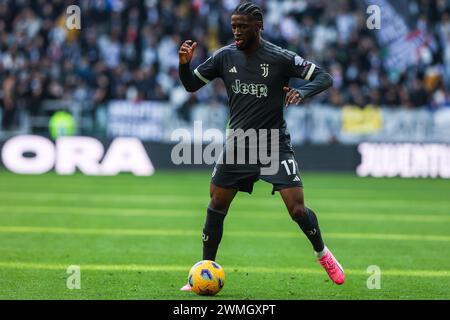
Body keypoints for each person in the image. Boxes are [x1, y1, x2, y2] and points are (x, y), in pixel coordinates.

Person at [178, 2, 345, 290]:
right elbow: (191, 85)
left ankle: (323, 254)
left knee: (296, 209)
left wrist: (301, 91)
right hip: (239, 144)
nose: (236, 31)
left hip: (273, 144)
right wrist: (184, 65)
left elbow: (324, 77)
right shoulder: (224, 56)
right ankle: (205, 269)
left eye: (242, 26)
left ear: (258, 26)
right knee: (216, 204)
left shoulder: (280, 57)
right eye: (233, 26)